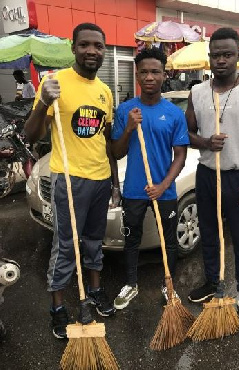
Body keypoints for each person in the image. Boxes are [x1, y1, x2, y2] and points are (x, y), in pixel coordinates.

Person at [24, 23, 119, 339]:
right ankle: (58, 308)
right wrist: (42, 103)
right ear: (74, 48)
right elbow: (32, 135)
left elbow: (107, 144)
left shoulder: (105, 92)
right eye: (85, 45)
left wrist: (115, 183)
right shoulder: (55, 83)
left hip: (101, 179)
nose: (92, 51)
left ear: (104, 51)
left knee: (94, 242)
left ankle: (93, 292)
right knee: (65, 247)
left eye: (98, 46)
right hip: (70, 178)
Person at [185, 27, 239, 329]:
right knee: (209, 236)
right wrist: (206, 143)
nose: (220, 60)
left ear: (238, 56)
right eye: (215, 54)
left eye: (227, 54)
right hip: (207, 174)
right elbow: (188, 134)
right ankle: (212, 281)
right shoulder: (197, 91)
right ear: (209, 57)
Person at [111, 47, 189, 309]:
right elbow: (117, 152)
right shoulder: (126, 111)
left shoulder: (174, 114)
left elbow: (180, 155)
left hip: (164, 191)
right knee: (131, 238)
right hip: (133, 189)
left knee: (169, 241)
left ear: (164, 74)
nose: (149, 77)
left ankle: (169, 287)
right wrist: (130, 128)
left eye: (155, 71)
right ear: (137, 75)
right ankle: (131, 284)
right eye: (143, 72)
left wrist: (163, 185)